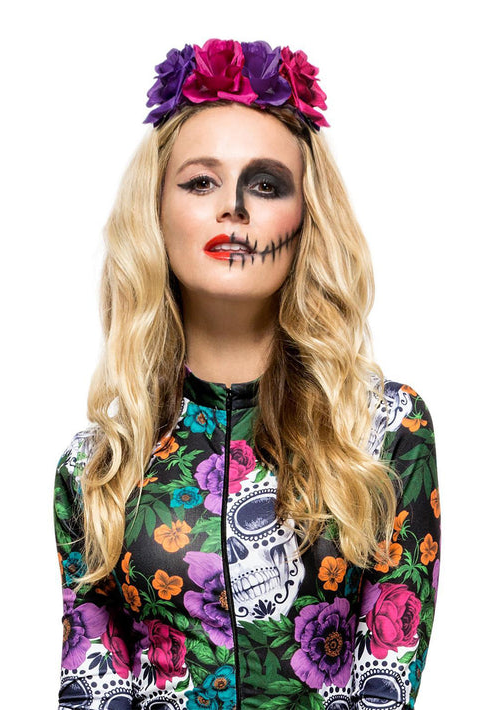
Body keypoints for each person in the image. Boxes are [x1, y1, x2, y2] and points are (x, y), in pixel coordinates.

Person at [54, 39, 440, 710]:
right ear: (155, 212)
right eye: (201, 182)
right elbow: (90, 685)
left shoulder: (383, 430)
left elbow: (387, 679)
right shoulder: (97, 468)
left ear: (305, 218)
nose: (233, 206)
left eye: (265, 184)